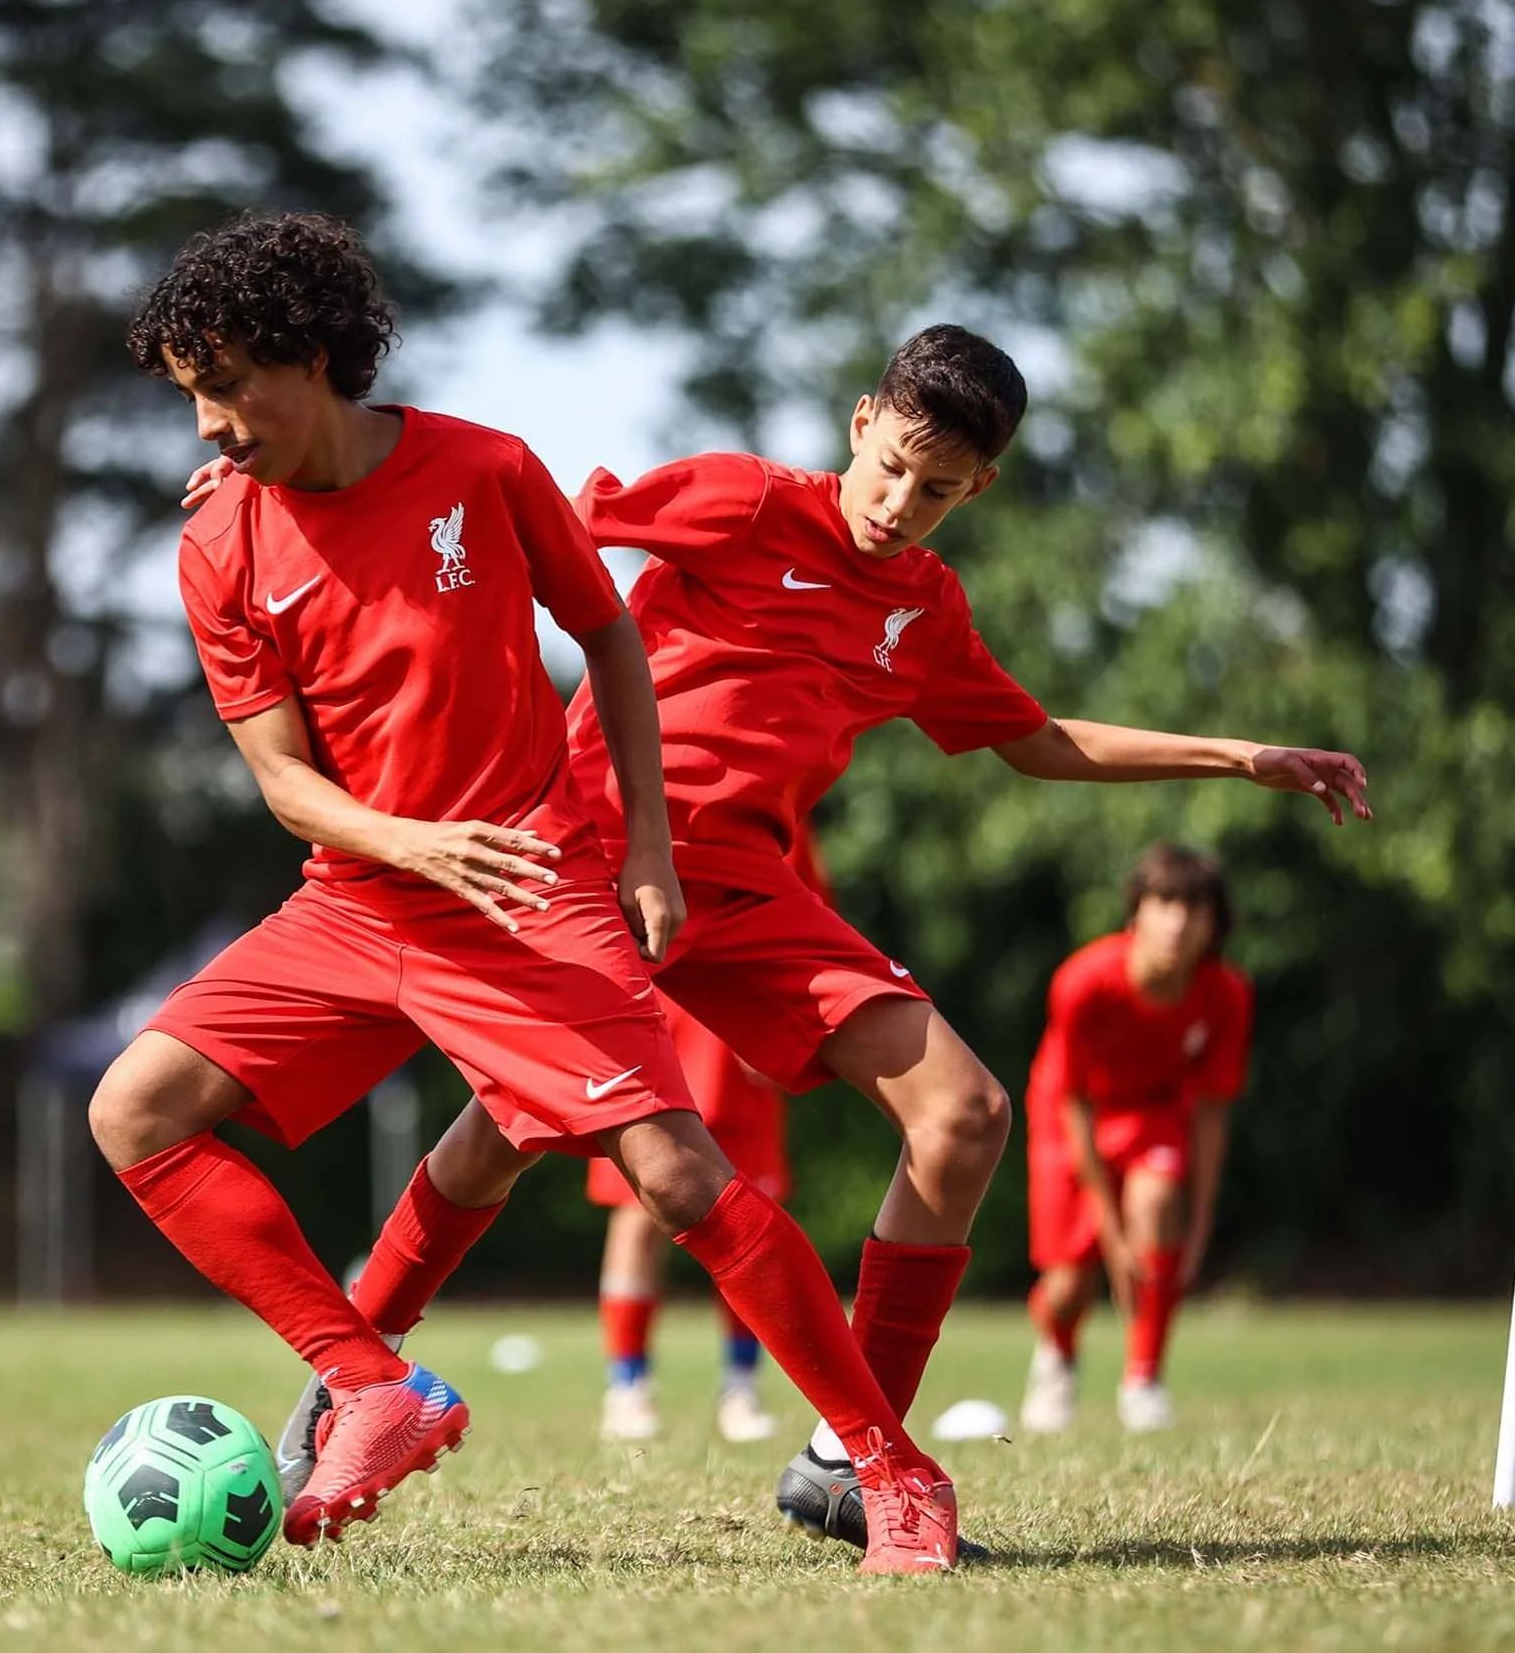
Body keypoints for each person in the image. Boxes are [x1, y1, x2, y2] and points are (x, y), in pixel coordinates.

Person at [205, 322, 1369, 1554]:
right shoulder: (744, 501)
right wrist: (283, 474)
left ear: (978, 489)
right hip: (595, 861)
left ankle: (845, 1463)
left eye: (936, 490)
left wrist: (1237, 756)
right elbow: (513, 516)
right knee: (503, 1131)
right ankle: (350, 1379)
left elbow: (1037, 739)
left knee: (965, 1115)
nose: (898, 504)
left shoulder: (925, 607)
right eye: (891, 466)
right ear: (861, 423)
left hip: (749, 893)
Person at [97, 211, 957, 1572]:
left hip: (526, 884)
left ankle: (892, 1470)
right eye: (191, 396)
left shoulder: (484, 469)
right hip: (357, 896)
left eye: (226, 387)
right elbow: (284, 784)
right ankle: (369, 1382)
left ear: (311, 359)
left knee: (677, 1174)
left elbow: (609, 633)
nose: (206, 424)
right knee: (133, 1110)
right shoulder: (217, 545)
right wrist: (409, 843)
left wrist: (647, 848)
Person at [590, 828, 828, 1446]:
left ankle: (741, 1387)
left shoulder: (777, 822)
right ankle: (627, 1387)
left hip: (734, 1043)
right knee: (636, 1218)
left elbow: (807, 923)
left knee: (749, 1217)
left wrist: (780, 1019)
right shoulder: (614, 805)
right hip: (643, 1031)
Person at [1021, 844, 1253, 1434]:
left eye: (1194, 908)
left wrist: (1198, 1224)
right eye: (1164, 903)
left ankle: (1144, 1379)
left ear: (1214, 925)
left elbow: (1211, 1111)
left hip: (1152, 1112)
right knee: (1068, 1285)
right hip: (1070, 1115)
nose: (1178, 922)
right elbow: (1073, 1099)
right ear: (1135, 914)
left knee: (1156, 1202)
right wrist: (1109, 1229)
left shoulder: (1225, 995)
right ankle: (1056, 1357)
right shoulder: (1082, 983)